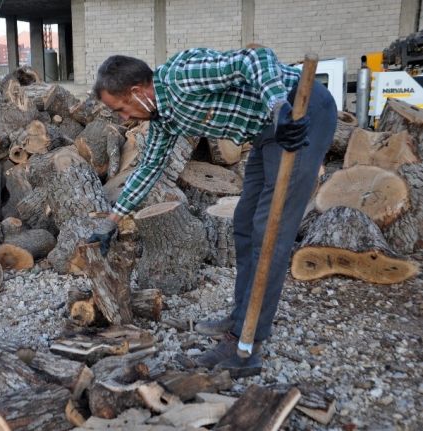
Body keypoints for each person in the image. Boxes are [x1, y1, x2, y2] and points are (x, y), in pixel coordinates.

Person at [88, 47, 337, 377]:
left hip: (300, 112)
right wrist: (112, 220)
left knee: (270, 233)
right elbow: (149, 167)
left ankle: (246, 344)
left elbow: (255, 58)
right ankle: (242, 317)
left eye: (120, 108)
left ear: (137, 91)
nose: (123, 118)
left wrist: (279, 106)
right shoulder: (163, 116)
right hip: (265, 131)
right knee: (245, 224)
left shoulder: (182, 77)